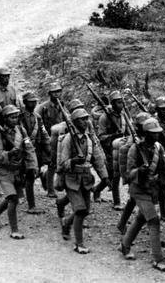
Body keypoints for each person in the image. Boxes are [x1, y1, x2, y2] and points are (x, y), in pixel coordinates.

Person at [120, 118, 165, 272]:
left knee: (141, 218)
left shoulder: (158, 147)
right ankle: (158, 259)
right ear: (146, 133)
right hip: (139, 190)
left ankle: (125, 244)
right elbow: (129, 173)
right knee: (154, 220)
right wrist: (139, 171)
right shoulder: (135, 149)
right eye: (153, 134)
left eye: (158, 133)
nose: (157, 136)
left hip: (151, 190)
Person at [56, 108, 109, 254]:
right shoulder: (68, 139)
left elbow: (97, 159)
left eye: (87, 119)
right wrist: (73, 161)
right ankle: (79, 243)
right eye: (81, 119)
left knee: (86, 210)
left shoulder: (89, 139)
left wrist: (105, 177)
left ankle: (67, 223)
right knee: (79, 210)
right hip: (71, 179)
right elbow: (62, 163)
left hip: (86, 179)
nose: (85, 122)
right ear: (74, 122)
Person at [0, 105, 38, 239]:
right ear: (5, 119)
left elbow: (29, 149)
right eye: (11, 117)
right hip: (4, 170)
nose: (14, 119)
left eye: (16, 116)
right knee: (13, 199)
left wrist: (33, 165)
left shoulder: (21, 131)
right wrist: (9, 154)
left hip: (18, 170)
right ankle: (14, 230)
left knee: (13, 197)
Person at [93, 90, 128, 210]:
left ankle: (97, 190)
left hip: (121, 148)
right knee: (114, 175)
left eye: (122, 102)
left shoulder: (124, 116)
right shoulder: (104, 117)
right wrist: (113, 136)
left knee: (114, 174)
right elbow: (101, 137)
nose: (121, 105)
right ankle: (117, 202)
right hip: (108, 150)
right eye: (118, 102)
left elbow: (129, 131)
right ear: (112, 104)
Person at [20, 91, 50, 214]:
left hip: (35, 149)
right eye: (30, 101)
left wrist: (47, 147)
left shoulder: (37, 117)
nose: (33, 104)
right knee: (26, 175)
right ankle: (28, 203)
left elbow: (43, 132)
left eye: (34, 101)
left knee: (30, 175)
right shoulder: (19, 116)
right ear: (25, 102)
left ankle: (30, 204)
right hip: (23, 149)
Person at [37, 81, 66, 197]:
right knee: (51, 163)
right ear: (49, 94)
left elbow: (66, 118)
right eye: (54, 92)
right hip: (47, 137)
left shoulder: (62, 106)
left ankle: (48, 180)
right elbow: (37, 121)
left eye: (58, 91)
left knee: (58, 162)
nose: (57, 94)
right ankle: (50, 189)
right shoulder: (43, 107)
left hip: (60, 137)